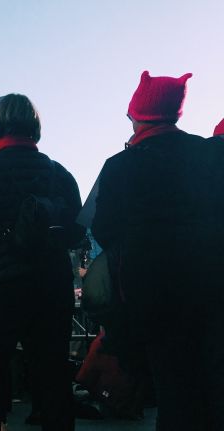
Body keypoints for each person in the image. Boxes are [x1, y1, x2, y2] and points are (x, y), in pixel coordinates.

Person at [92, 71, 224, 430]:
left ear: (137, 114)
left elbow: (103, 228)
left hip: (154, 294)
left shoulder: (121, 165)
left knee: (174, 390)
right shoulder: (211, 153)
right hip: (213, 287)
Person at [0, 94, 84, 431]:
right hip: (53, 284)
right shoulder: (58, 172)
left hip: (3, 286)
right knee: (53, 378)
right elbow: (76, 232)